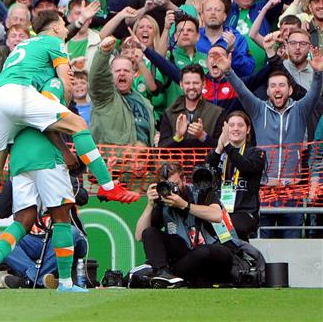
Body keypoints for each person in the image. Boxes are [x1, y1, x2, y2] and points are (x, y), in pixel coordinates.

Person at [0, 11, 138, 250]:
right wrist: (65, 99)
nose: (66, 30)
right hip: (19, 98)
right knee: (78, 124)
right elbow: (64, 82)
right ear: (54, 29)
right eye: (63, 25)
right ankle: (107, 185)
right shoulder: (55, 42)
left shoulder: (22, 47)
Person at [0, 75, 89, 294]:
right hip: (46, 160)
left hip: (21, 162)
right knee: (61, 220)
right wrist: (67, 154)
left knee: (29, 223)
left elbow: (82, 195)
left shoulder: (8, 108)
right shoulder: (50, 92)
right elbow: (0, 210)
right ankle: (59, 282)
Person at [210, 46, 323, 239]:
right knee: (265, 247)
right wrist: (228, 72)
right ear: (268, 90)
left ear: (290, 89)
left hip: (292, 192)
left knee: (292, 248)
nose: (277, 89)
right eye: (273, 86)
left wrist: (319, 73)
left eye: (281, 85)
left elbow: (313, 94)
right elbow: (243, 92)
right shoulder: (258, 109)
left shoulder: (301, 109)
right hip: (264, 191)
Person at [134, 162, 236, 288]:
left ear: (184, 180)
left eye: (175, 185)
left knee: (210, 252)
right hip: (186, 258)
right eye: (168, 186)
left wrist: (184, 205)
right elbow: (140, 235)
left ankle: (165, 274)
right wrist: (150, 204)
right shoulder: (163, 202)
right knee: (150, 233)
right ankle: (163, 274)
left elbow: (217, 215)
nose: (172, 191)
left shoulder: (200, 190)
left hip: (212, 254)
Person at [207, 111, 266, 240]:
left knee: (231, 228)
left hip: (245, 212)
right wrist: (218, 150)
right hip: (220, 211)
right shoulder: (219, 154)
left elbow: (245, 166)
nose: (235, 129)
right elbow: (205, 174)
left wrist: (228, 146)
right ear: (225, 129)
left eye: (240, 125)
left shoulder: (256, 153)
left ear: (248, 129)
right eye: (231, 125)